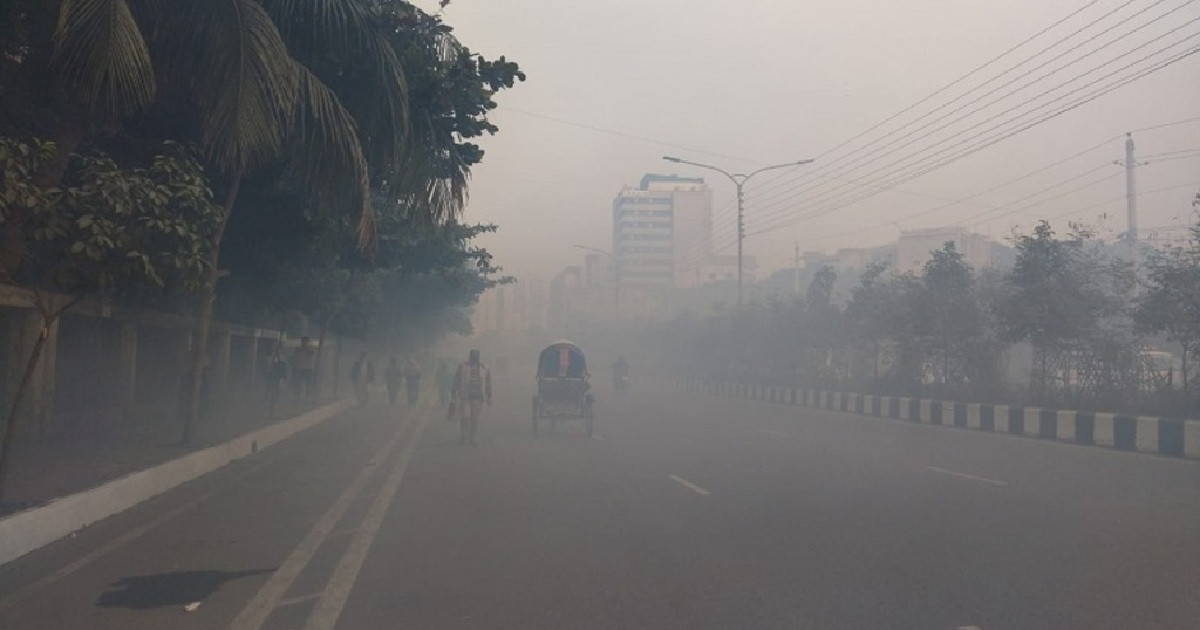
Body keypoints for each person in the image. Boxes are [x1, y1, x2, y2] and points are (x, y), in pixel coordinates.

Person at [451, 349, 492, 446]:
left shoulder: (484, 368)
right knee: (465, 417)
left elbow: (488, 383)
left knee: (475, 419)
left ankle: (473, 438)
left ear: (478, 357)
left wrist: (489, 396)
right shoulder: (462, 367)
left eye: (476, 356)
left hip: (478, 397)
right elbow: (456, 380)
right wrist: (453, 393)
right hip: (465, 396)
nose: (474, 358)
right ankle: (463, 437)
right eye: (473, 356)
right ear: (470, 357)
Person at [265, 348, 288, 416]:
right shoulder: (270, 358)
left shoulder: (280, 359)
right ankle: (271, 410)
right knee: (271, 394)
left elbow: (283, 368)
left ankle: (273, 410)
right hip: (272, 378)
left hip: (277, 378)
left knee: (276, 393)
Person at [292, 337, 317, 402]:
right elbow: (295, 358)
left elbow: (313, 353)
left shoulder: (311, 348)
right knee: (297, 384)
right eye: (302, 341)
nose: (303, 343)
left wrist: (307, 348)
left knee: (309, 385)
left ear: (307, 342)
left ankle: (308, 398)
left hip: (309, 369)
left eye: (305, 342)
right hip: (299, 369)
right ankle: (297, 398)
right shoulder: (298, 349)